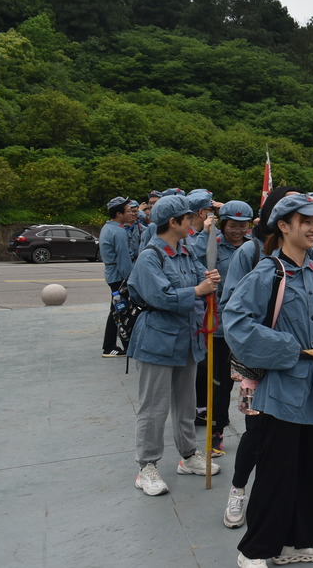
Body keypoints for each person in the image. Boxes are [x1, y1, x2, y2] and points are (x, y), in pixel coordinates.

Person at [224, 193, 313, 567]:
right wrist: (289, 349)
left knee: (308, 472)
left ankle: (297, 542)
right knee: (276, 475)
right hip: (280, 392)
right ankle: (254, 551)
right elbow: (236, 323)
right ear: (283, 226)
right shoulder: (269, 273)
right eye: (305, 221)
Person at [128, 195, 222, 497]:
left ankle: (188, 455)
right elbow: (161, 297)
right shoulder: (150, 256)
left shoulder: (184, 250)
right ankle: (147, 466)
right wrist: (198, 289)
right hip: (157, 339)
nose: (193, 221)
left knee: (186, 402)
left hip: (187, 338)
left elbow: (198, 278)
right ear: (174, 222)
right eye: (188, 218)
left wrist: (209, 279)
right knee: (153, 407)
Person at [218, 186, 296, 530]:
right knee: (256, 430)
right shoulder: (250, 252)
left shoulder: (307, 253)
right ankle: (238, 490)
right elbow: (231, 310)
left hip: (294, 362)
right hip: (258, 362)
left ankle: (279, 499)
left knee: (288, 434)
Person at [193, 200, 254, 457]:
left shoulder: (254, 248)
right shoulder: (212, 245)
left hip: (248, 325)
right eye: (232, 225)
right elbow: (195, 262)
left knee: (251, 381)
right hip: (219, 326)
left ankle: (255, 431)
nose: (237, 230)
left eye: (243, 225)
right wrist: (205, 234)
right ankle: (216, 431)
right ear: (223, 224)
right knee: (220, 383)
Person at [100, 196, 134, 357]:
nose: (131, 213)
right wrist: (130, 280)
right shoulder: (118, 232)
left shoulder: (108, 227)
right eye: (128, 211)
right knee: (119, 311)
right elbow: (123, 260)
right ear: (119, 214)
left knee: (116, 309)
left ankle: (112, 345)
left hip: (112, 274)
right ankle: (110, 347)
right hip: (119, 277)